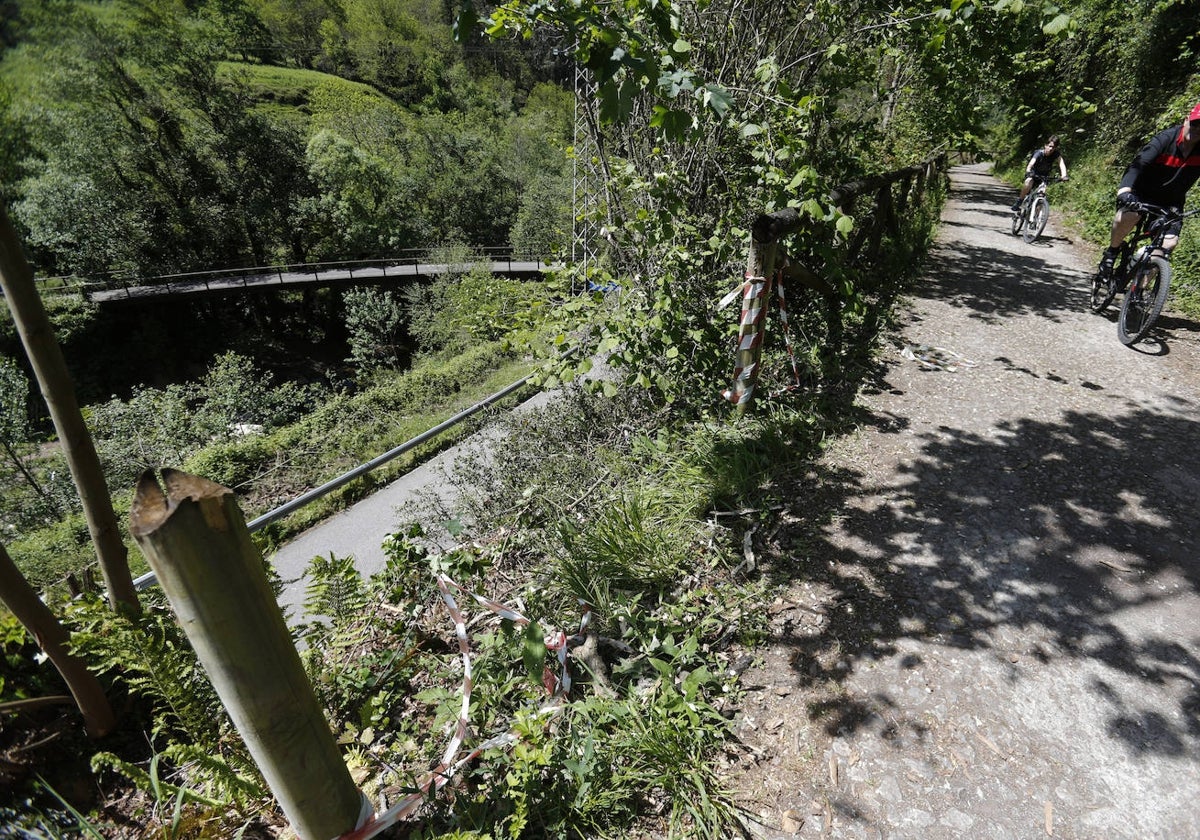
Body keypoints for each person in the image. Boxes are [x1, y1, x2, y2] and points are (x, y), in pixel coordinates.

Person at [1098, 102, 1200, 277]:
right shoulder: (1165, 139)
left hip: (1171, 202)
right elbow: (1138, 165)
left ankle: (1138, 297)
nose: (1197, 129)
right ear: (1186, 120)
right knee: (1131, 215)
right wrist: (1125, 190)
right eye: (1195, 123)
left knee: (1168, 244)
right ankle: (1112, 252)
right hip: (1140, 193)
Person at [1011, 135, 1068, 211]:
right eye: (1050, 146)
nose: (1051, 149)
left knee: (1042, 195)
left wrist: (1064, 176)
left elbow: (1061, 164)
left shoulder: (1056, 154)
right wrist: (1028, 171)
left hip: (1044, 177)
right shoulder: (1039, 153)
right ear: (1045, 145)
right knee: (1028, 182)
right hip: (1033, 174)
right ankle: (1019, 201)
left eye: (1053, 147)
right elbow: (1031, 163)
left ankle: (1036, 217)